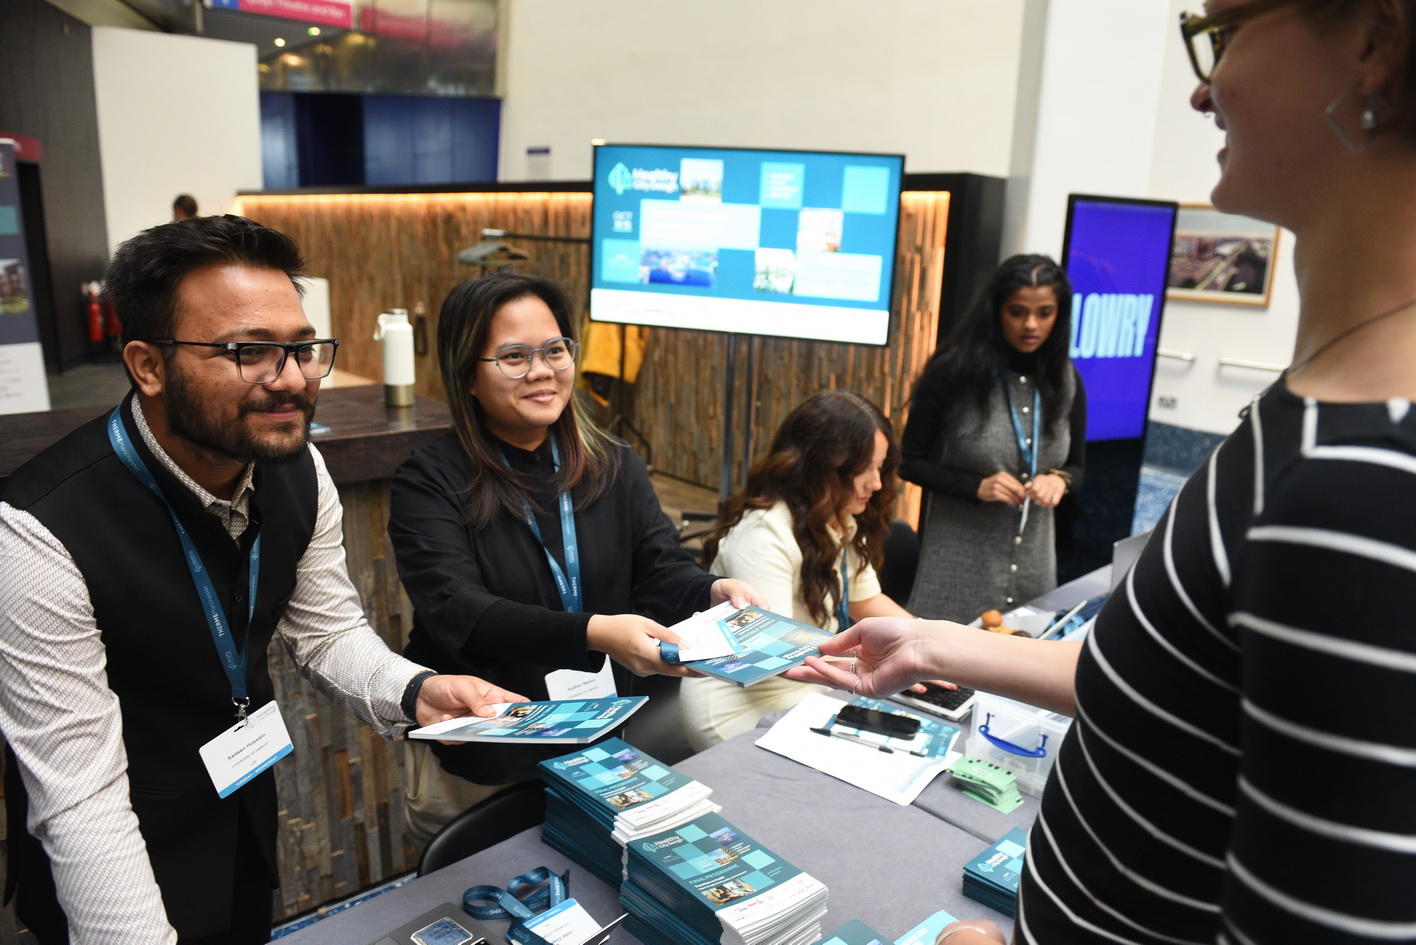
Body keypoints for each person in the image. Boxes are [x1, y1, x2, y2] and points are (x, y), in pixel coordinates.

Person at [791, 2, 1416, 941]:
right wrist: (935, 644)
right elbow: (1188, 684)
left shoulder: (1363, 484)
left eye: (1222, 34)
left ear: (1372, 42)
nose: (1202, 89)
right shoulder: (1315, 417)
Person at [0, 215, 526, 944]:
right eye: (249, 351)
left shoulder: (298, 466)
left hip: (241, 802)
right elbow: (81, 799)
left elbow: (328, 630)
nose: (290, 380)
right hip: (108, 851)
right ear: (148, 365)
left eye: (303, 348)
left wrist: (416, 689)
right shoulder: (36, 532)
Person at [388, 271, 762, 843]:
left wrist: (710, 590)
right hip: (490, 750)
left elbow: (659, 566)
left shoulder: (612, 463)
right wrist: (597, 632)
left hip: (604, 739)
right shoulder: (431, 480)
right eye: (513, 356)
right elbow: (459, 611)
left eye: (555, 349)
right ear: (467, 374)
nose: (541, 370)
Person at [679, 390, 914, 750]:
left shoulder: (838, 518)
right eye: (863, 469)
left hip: (809, 684)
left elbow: (869, 602)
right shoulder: (764, 532)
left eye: (880, 468)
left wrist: (930, 645)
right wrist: (889, 659)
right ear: (820, 465)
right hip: (741, 704)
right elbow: (776, 653)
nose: (877, 483)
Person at [900, 254, 1086, 623]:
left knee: (1020, 668)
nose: (1030, 325)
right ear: (996, 310)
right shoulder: (952, 374)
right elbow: (908, 461)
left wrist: (1059, 480)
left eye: (1044, 313)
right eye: (1017, 312)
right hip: (957, 567)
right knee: (943, 673)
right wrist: (976, 486)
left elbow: (1078, 466)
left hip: (1034, 565)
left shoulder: (1066, 379)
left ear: (1059, 315)